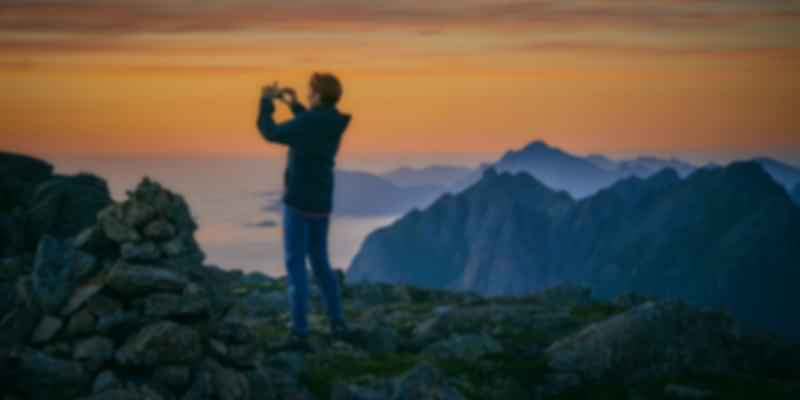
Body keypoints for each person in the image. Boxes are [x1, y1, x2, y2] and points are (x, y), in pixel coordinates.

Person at [256, 72, 353, 352]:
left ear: (319, 95)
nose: (308, 95)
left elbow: (270, 132)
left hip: (298, 202)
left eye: (310, 92)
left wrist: (266, 101)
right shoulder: (334, 122)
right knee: (321, 264)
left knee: (296, 265)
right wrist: (295, 105)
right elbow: (311, 125)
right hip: (321, 203)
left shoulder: (308, 123)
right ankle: (337, 323)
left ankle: (300, 333)